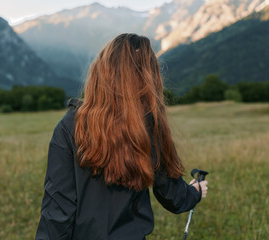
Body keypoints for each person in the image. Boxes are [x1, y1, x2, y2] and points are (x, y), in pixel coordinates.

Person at [35, 33, 208, 240]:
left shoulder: (69, 125)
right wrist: (195, 192)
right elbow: (174, 197)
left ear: (100, 72)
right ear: (150, 78)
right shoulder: (148, 124)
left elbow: (57, 210)